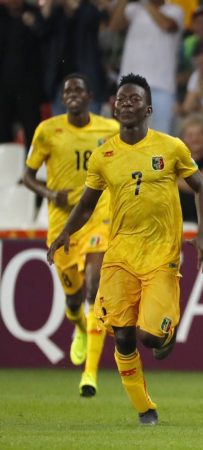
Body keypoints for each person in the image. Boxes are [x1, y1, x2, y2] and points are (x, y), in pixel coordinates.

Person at [47, 73, 203, 426]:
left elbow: (201, 188)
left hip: (161, 255)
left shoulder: (171, 147)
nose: (126, 104)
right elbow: (87, 205)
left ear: (148, 108)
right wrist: (64, 233)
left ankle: (166, 331)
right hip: (119, 254)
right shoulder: (104, 155)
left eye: (134, 99)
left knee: (149, 337)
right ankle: (144, 409)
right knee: (122, 335)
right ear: (113, 106)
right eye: (121, 99)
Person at [22, 73, 118, 397]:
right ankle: (79, 327)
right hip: (63, 226)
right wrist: (50, 195)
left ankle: (89, 374)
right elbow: (27, 176)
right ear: (64, 99)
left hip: (97, 220)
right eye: (67, 91)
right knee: (74, 299)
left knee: (95, 284)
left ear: (89, 95)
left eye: (79, 89)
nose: (73, 94)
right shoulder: (48, 131)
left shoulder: (110, 130)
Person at [109, 0, 184, 134]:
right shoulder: (133, 9)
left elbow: (166, 25)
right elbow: (114, 25)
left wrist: (145, 3)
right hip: (130, 86)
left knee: (160, 139)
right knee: (128, 136)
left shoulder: (175, 10)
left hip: (162, 87)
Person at [0, 0, 45, 148]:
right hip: (3, 85)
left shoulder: (33, 12)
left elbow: (46, 34)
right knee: (2, 130)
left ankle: (32, 167)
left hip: (29, 86)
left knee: (33, 131)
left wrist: (34, 24)